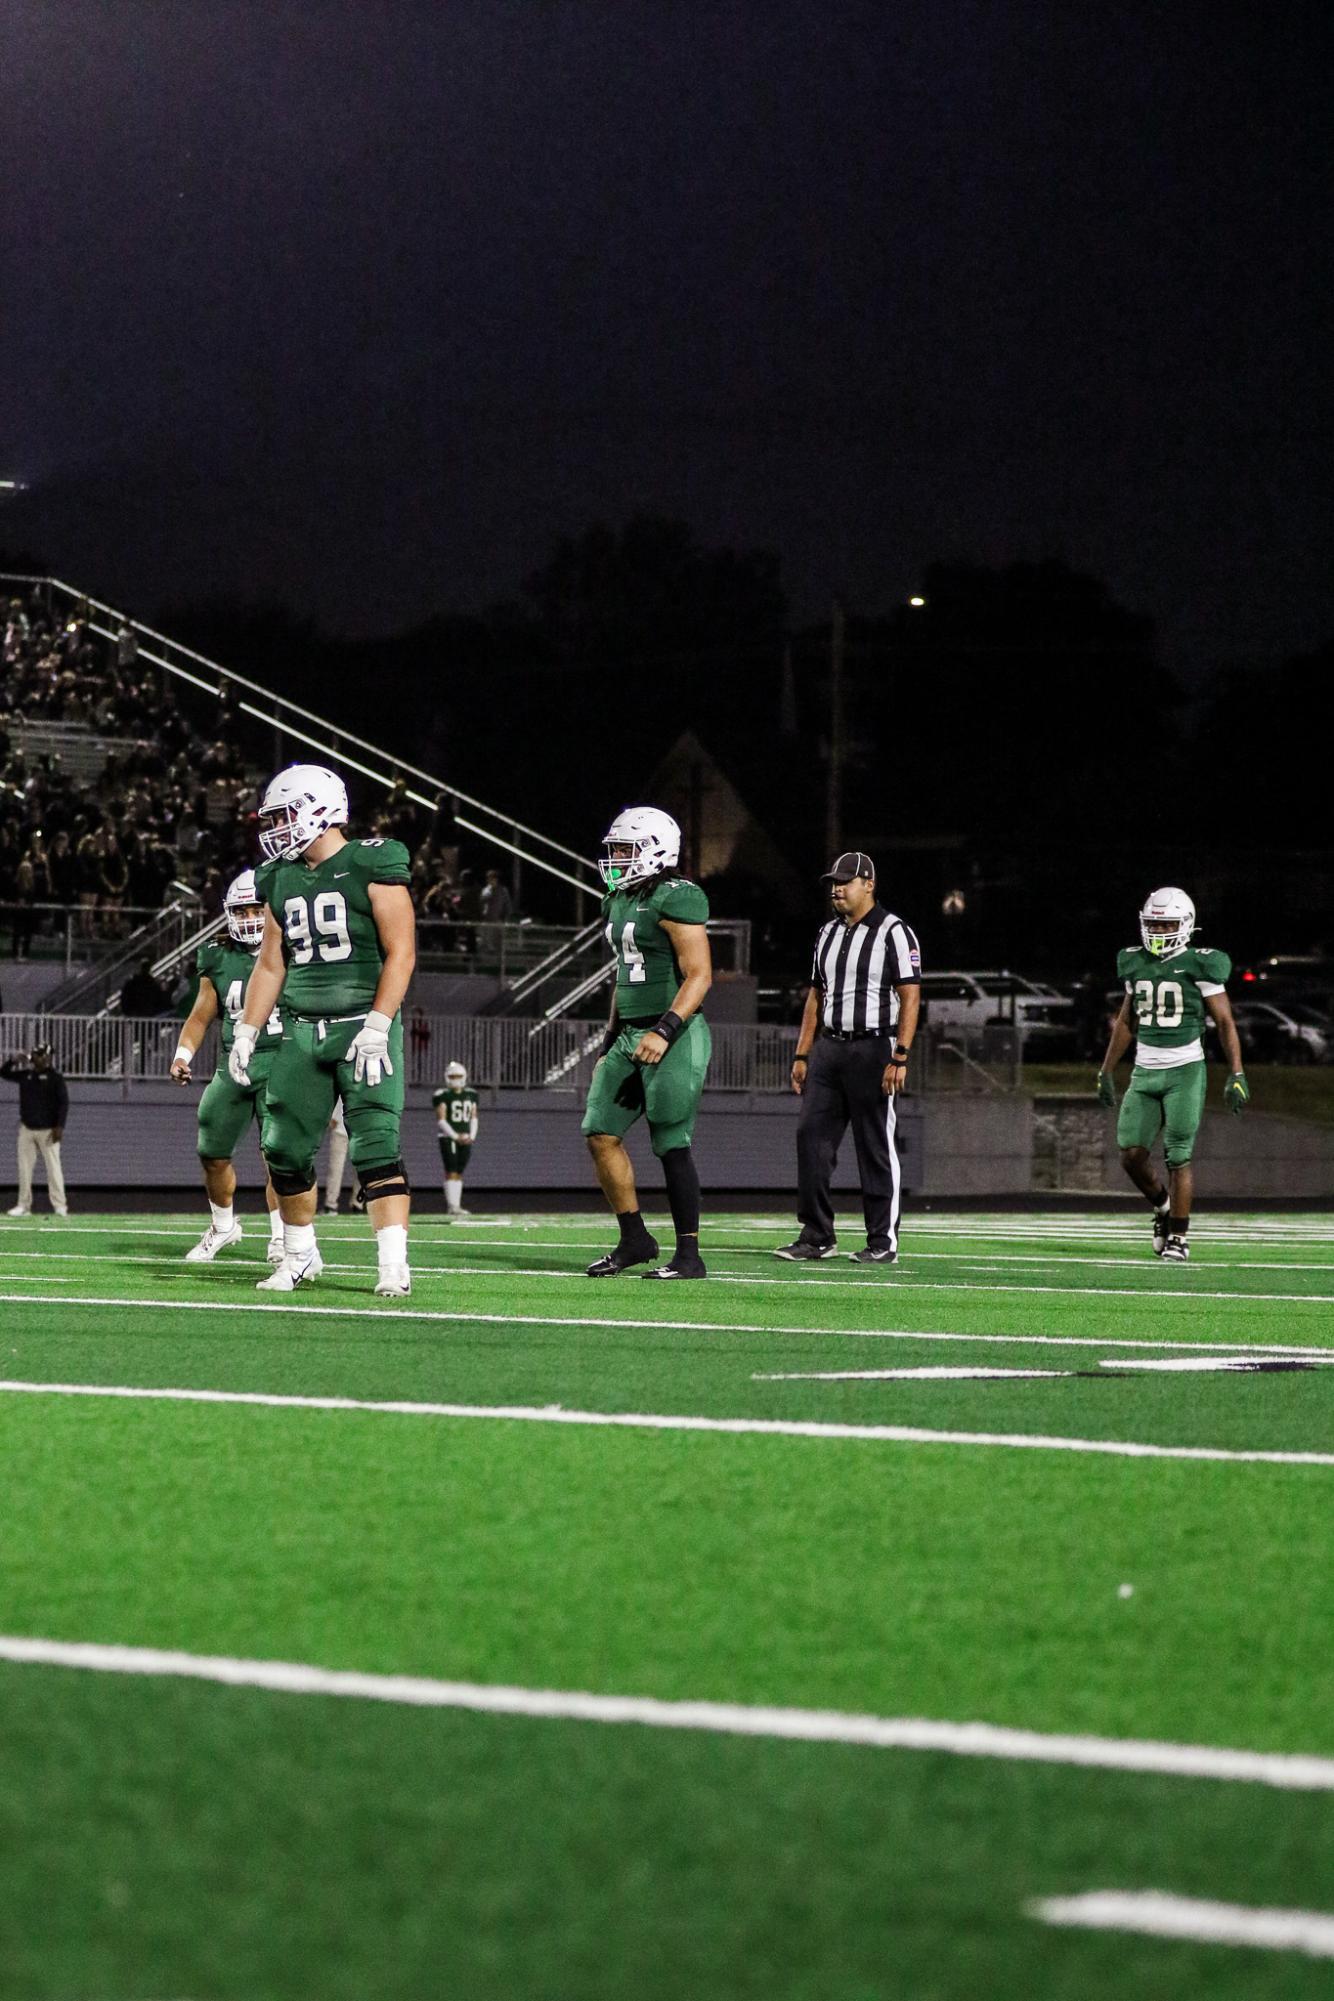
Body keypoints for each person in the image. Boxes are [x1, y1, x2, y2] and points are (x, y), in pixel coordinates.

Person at [230, 763, 416, 1297]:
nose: (277, 828)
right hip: (301, 1026)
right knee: (282, 1148)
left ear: (321, 808)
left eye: (285, 815)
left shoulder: (372, 861)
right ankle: (299, 1254)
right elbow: (271, 963)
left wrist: (380, 1023)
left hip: (363, 1025)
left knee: (376, 1142)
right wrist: (247, 1030)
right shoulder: (279, 876)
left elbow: (401, 952)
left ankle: (392, 1264)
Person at [581, 806, 712, 1280]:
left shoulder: (678, 897)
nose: (616, 860)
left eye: (625, 850)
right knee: (600, 1132)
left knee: (670, 1143)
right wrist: (608, 1042)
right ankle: (634, 1237)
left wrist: (665, 1030)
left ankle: (689, 1256)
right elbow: (623, 976)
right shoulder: (617, 900)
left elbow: (700, 975)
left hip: (675, 1031)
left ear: (657, 850)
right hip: (630, 1033)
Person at [775, 851, 921, 1265]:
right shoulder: (827, 933)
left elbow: (911, 996)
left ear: (868, 884)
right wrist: (803, 1051)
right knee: (811, 1137)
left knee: (874, 1145)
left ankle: (882, 1241)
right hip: (830, 1048)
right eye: (833, 883)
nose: (836, 889)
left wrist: (901, 1055)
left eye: (845, 882)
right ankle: (817, 1234)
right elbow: (816, 996)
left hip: (875, 1047)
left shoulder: (894, 932)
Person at [1097, 886, 1249, 1262]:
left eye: (1166, 924)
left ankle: (1180, 1236)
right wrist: (1105, 1071)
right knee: (1131, 1155)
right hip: (1145, 1070)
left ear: (1185, 924)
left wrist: (1237, 1072)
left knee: (1178, 1156)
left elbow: (1225, 1021)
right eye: (1153, 924)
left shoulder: (1202, 963)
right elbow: (1126, 1022)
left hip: (1184, 1070)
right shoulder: (1135, 963)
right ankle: (1162, 1206)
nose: (1159, 931)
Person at [171, 869, 287, 1265]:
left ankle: (283, 1237)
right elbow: (201, 1015)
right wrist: (182, 1055)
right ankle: (223, 1226)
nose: (250, 918)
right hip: (233, 1065)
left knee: (280, 1154)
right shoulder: (217, 956)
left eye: (258, 908)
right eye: (242, 911)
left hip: (282, 1060)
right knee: (212, 1149)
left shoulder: (294, 949)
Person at [2, 1041, 70, 1217]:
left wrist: (59, 1126)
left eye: (42, 1055)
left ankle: (59, 1205)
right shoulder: (26, 1075)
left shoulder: (55, 1078)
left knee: (53, 1168)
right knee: (24, 1168)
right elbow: (4, 1073)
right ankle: (23, 1205)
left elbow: (63, 1103)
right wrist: (12, 1061)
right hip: (27, 1128)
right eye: (38, 1055)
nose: (40, 1058)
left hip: (48, 1130)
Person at [433, 1059, 478, 1217]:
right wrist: (455, 1136)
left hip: (465, 1137)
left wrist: (472, 1135)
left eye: (458, 1076)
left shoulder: (471, 1095)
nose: (455, 1079)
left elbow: (473, 1117)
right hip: (448, 1137)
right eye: (452, 1076)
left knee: (459, 1171)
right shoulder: (442, 1095)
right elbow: (441, 1119)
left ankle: (455, 1205)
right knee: (451, 1170)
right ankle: (453, 1205)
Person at [322, 1103, 350, 1215]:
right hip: (341, 1126)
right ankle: (331, 1204)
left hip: (361, 1127)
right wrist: (333, 1115)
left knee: (364, 1167)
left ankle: (359, 1203)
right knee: (335, 1168)